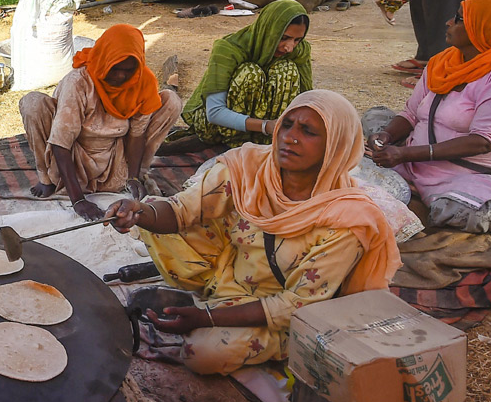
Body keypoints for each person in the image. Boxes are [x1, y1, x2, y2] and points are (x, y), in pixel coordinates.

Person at [106, 90, 400, 376]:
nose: (290, 137)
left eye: (308, 131)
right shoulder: (251, 167)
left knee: (203, 355)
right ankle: (211, 299)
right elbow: (183, 209)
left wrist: (208, 319)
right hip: (229, 273)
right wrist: (137, 212)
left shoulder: (347, 219)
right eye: (286, 124)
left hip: (282, 310)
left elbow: (296, 304)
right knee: (153, 216)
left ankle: (272, 341)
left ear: (336, 145)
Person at [370, 0, 491, 233]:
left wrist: (404, 153)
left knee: (458, 212)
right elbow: (411, 113)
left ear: (483, 29)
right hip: (414, 162)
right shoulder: (443, 63)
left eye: (459, 19)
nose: (448, 23)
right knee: (372, 121)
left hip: (470, 176)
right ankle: (418, 196)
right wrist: (386, 137)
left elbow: (483, 142)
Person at [20, 24, 182, 219]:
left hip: (114, 158)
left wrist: (132, 176)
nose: (121, 76)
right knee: (33, 104)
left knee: (171, 101)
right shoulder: (79, 81)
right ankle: (47, 179)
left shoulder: (142, 81)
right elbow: (61, 143)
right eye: (116, 69)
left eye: (128, 70)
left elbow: (137, 134)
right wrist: (78, 200)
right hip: (75, 153)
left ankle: (137, 177)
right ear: (105, 60)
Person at [181, 0, 312, 147]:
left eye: (297, 40)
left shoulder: (299, 52)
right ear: (269, 30)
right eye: (284, 38)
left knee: (287, 69)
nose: (289, 47)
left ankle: (265, 143)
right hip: (217, 130)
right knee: (250, 73)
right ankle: (236, 145)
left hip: (267, 133)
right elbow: (215, 113)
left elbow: (306, 99)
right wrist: (266, 126)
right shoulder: (229, 49)